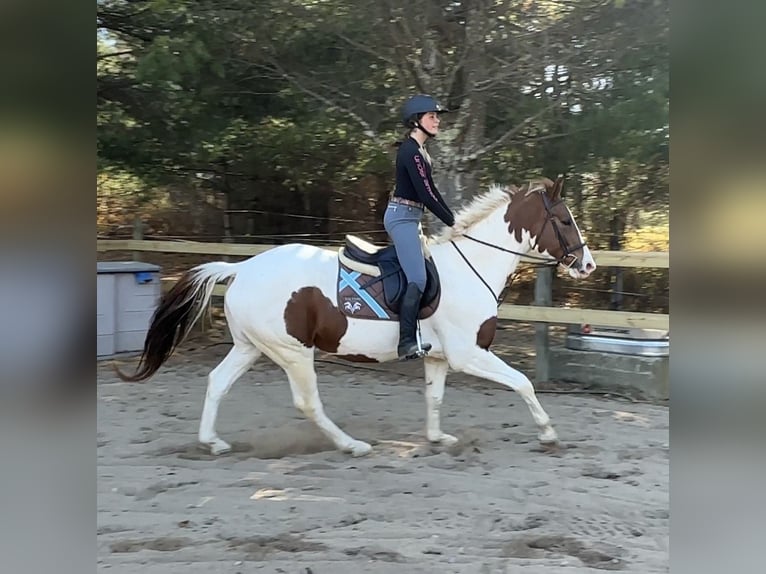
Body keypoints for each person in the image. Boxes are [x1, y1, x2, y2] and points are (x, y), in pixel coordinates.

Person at [384, 94, 456, 360]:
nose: (437, 121)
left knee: (428, 272)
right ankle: (405, 342)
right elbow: (426, 195)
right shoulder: (411, 152)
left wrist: (454, 218)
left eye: (437, 116)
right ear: (417, 121)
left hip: (411, 217)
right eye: (432, 116)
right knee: (417, 277)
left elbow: (432, 191)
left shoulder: (422, 152)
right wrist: (452, 222)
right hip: (401, 217)